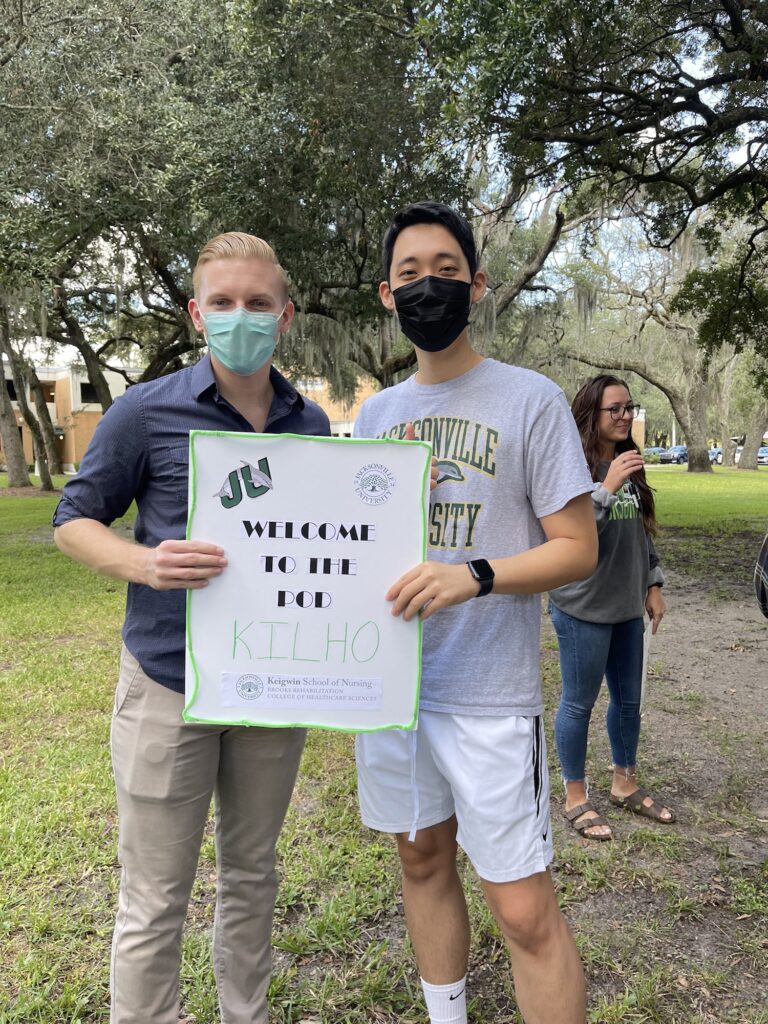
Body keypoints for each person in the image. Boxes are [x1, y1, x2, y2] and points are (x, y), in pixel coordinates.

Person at [52, 232, 330, 1024]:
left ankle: (247, 1014)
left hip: (272, 687)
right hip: (168, 687)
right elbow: (74, 521)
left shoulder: (308, 424)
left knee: (253, 874)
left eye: (257, 303)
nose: (240, 316)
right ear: (196, 312)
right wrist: (145, 563)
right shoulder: (145, 411)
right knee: (153, 896)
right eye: (223, 302)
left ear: (284, 315)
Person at [353, 201, 599, 1024]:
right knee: (421, 859)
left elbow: (577, 548)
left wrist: (475, 575)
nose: (429, 288)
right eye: (410, 276)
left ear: (479, 285)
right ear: (387, 294)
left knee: (524, 909)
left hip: (488, 696)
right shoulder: (375, 417)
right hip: (393, 695)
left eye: (446, 273)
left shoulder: (528, 401)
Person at [548, 374, 674, 842]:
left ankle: (624, 782)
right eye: (614, 409)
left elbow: (640, 531)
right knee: (578, 703)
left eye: (629, 408)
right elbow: (564, 534)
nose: (624, 417)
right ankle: (576, 796)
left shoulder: (630, 464)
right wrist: (605, 487)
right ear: (592, 414)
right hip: (581, 605)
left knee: (629, 703)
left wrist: (653, 583)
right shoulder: (571, 465)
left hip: (626, 605)